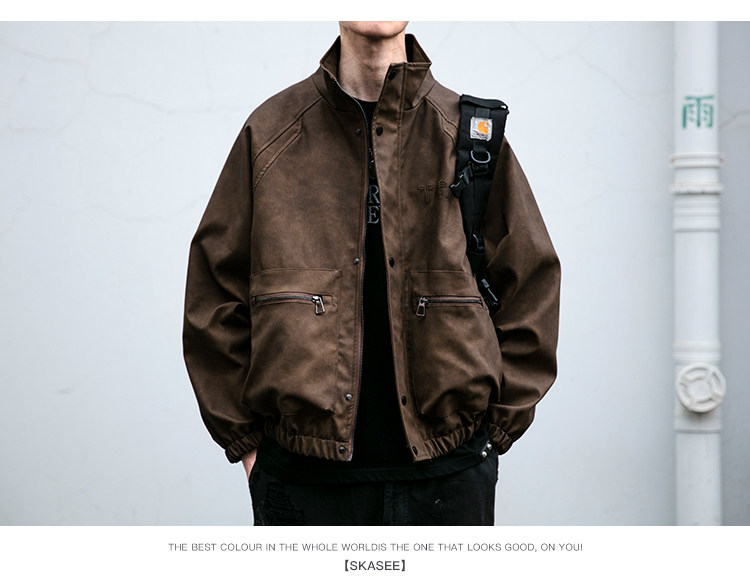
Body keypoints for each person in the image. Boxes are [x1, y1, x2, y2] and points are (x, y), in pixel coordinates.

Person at [182, 21, 560, 526]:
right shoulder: (270, 132)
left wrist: (493, 435)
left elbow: (531, 283)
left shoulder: (470, 136)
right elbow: (213, 293)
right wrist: (247, 445)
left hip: (448, 479)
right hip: (302, 482)